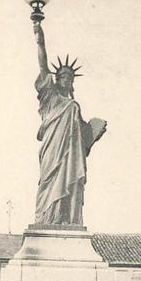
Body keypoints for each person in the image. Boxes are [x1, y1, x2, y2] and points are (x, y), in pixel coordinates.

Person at [33, 21, 107, 225]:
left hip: (70, 155)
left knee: (69, 184)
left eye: (71, 77)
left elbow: (83, 137)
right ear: (57, 78)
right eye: (64, 76)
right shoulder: (50, 97)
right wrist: (40, 40)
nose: (67, 80)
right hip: (52, 150)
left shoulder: (74, 106)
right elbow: (43, 65)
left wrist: (94, 131)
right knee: (48, 183)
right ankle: (47, 219)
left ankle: (64, 218)